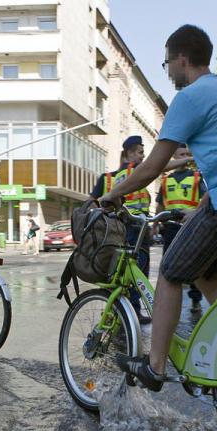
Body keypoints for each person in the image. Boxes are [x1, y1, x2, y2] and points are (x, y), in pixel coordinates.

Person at [99, 25, 217, 391]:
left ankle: (154, 367)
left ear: (181, 58)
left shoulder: (189, 98)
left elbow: (152, 167)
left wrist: (113, 194)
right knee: (204, 273)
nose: (168, 70)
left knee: (171, 271)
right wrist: (200, 207)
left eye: (167, 62)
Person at [89, 135, 154, 323]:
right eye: (140, 152)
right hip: (136, 228)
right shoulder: (140, 173)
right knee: (137, 271)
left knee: (115, 272)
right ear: (129, 154)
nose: (143, 156)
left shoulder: (107, 178)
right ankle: (131, 311)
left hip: (116, 229)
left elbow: (92, 203)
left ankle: (113, 310)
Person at [154, 144, 207, 311]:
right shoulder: (166, 180)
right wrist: (154, 225)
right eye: (181, 154)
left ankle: (195, 300)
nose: (185, 157)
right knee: (167, 265)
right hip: (170, 227)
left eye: (187, 154)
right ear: (175, 157)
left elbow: (205, 200)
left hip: (190, 225)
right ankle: (166, 301)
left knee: (194, 263)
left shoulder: (197, 177)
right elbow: (160, 205)